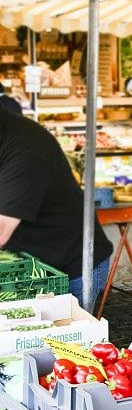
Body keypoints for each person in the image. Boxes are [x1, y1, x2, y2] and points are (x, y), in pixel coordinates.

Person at [0, 107, 113, 311]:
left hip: (71, 266)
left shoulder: (26, 147)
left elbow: (1, 230)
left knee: (67, 338)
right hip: (31, 262)